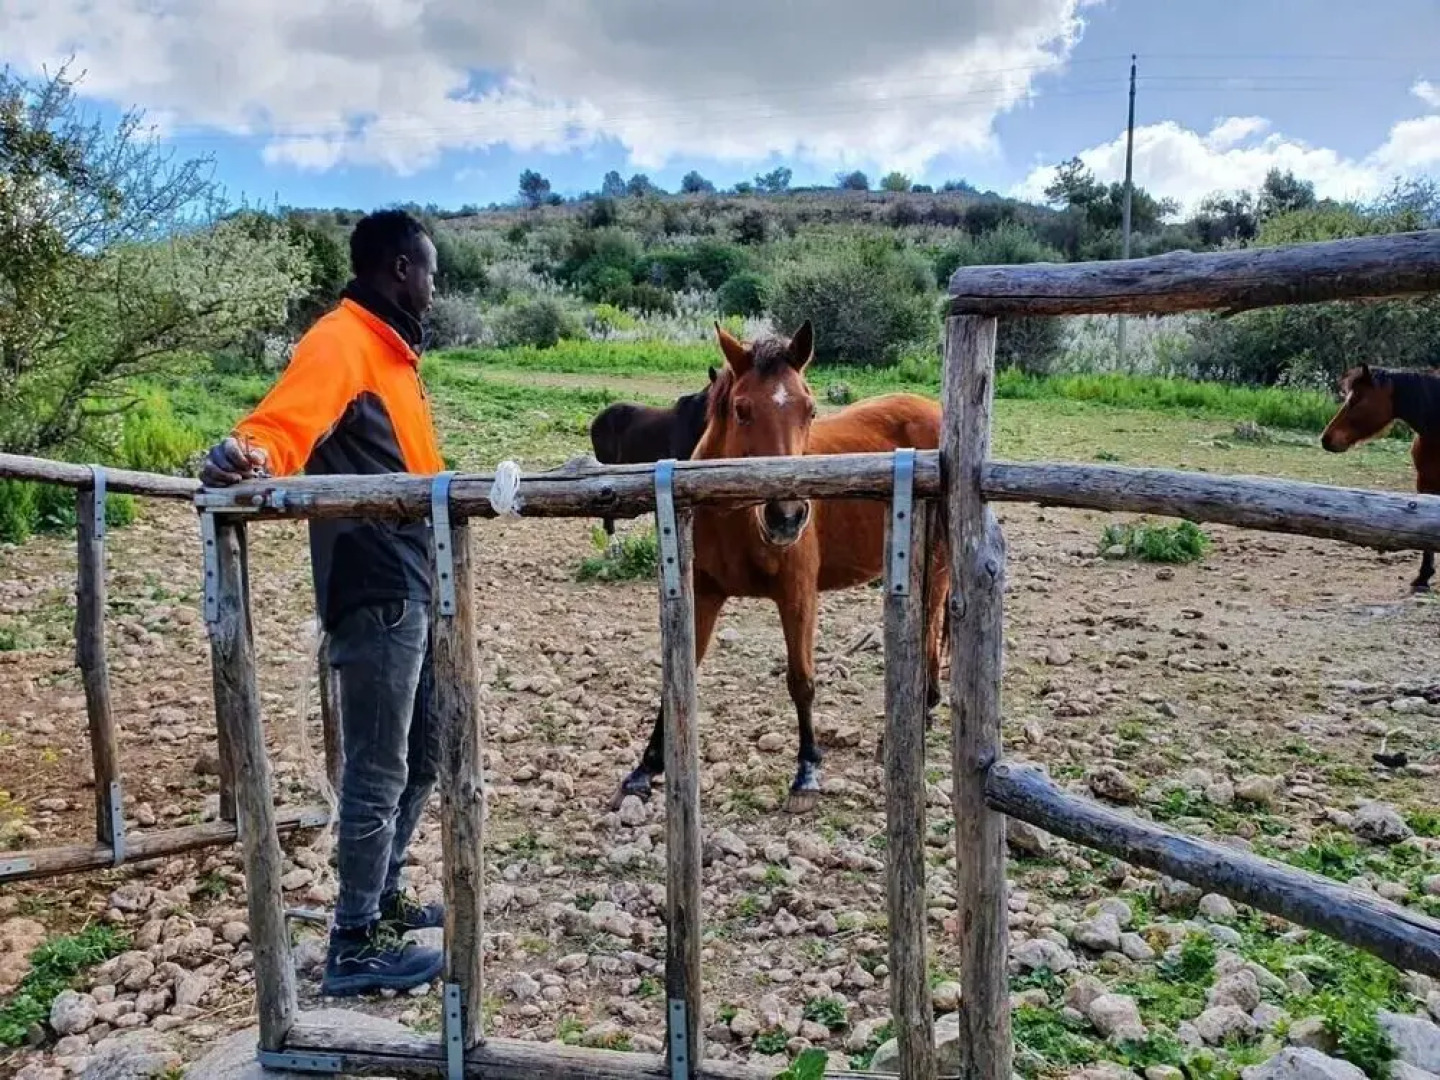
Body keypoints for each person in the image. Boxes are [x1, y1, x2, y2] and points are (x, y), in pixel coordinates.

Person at [199, 209, 448, 996]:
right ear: (401, 269)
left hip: (411, 580)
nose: (435, 288)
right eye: (430, 272)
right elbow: (282, 423)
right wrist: (247, 456)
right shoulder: (341, 342)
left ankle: (381, 897)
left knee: (425, 754)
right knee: (378, 766)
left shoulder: (391, 357)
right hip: (374, 583)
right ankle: (354, 942)